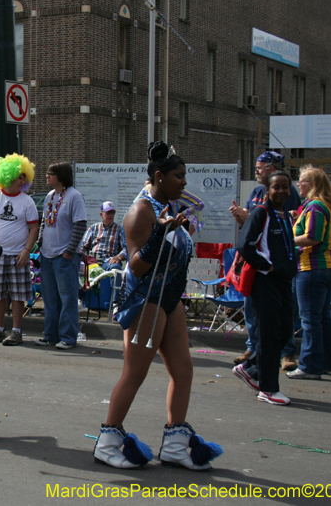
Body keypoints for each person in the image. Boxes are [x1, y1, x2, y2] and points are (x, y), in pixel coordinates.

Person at [94, 141, 223, 470]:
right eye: (179, 176)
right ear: (159, 176)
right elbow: (136, 266)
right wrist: (158, 235)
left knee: (183, 371)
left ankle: (176, 444)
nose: (184, 182)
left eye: (185, 176)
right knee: (135, 373)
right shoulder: (141, 212)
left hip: (170, 299)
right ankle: (108, 442)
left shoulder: (169, 210)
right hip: (146, 301)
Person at [229, 151, 301, 369]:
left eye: (260, 167)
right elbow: (250, 231)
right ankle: (253, 348)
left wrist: (276, 266)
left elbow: (287, 230)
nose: (256, 171)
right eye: (275, 188)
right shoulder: (256, 193)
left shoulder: (288, 194)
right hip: (255, 265)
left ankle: (287, 352)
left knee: (282, 312)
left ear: (271, 169)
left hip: (276, 268)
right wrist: (242, 217)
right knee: (251, 308)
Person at [287, 167, 331, 380]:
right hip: (328, 267)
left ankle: (310, 366)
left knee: (309, 319)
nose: (298, 184)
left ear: (312, 185)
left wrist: (286, 240)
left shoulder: (315, 207)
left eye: (301, 181)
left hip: (313, 268)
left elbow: (312, 237)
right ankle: (329, 364)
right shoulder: (328, 206)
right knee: (323, 318)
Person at [0, 154, 39, 346]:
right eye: (19, 176)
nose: (22, 180)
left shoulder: (27, 201)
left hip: (18, 255)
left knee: (19, 295)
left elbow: (34, 228)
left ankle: (17, 331)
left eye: (24, 177)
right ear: (7, 176)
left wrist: (27, 250)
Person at [36, 162, 87, 349]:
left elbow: (80, 224)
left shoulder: (74, 196)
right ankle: (51, 335)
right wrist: (40, 243)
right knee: (49, 298)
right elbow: (44, 223)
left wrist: (69, 251)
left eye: (51, 173)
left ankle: (68, 337)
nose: (47, 176)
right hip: (47, 255)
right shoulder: (50, 196)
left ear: (61, 176)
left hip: (64, 255)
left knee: (67, 298)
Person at [80, 201, 127, 271]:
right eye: (108, 213)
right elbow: (83, 247)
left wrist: (118, 257)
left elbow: (126, 248)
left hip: (109, 261)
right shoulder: (93, 228)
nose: (110, 215)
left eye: (112, 213)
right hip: (93, 260)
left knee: (116, 268)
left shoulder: (119, 229)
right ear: (101, 214)